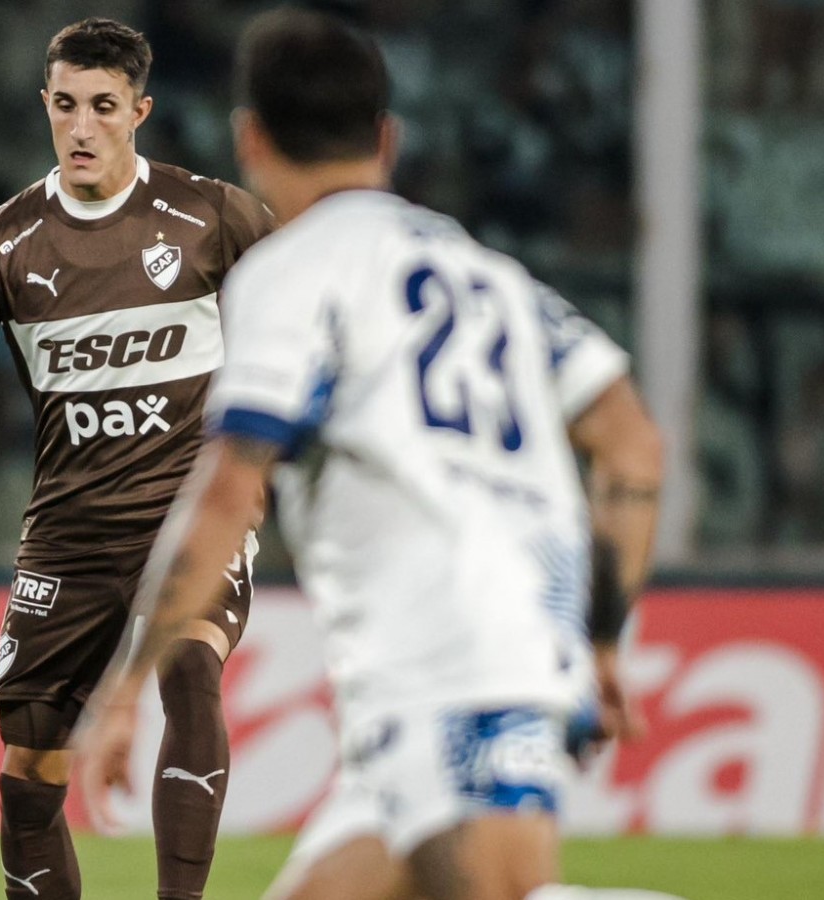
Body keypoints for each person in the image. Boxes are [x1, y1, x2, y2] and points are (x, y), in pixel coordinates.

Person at [76, 10, 682, 900]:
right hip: (463, 659)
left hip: (454, 658)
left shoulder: (295, 273)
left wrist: (126, 688)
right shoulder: (492, 278)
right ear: (386, 139)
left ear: (250, 140)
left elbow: (228, 492)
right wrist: (595, 636)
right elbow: (631, 439)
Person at [0, 18, 272, 900]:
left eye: (103, 107)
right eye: (66, 105)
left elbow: (308, 305)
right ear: (45, 106)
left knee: (190, 666)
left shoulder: (212, 217)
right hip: (68, 537)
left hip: (187, 517)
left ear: (139, 111)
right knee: (28, 778)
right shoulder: (2, 240)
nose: (82, 126)